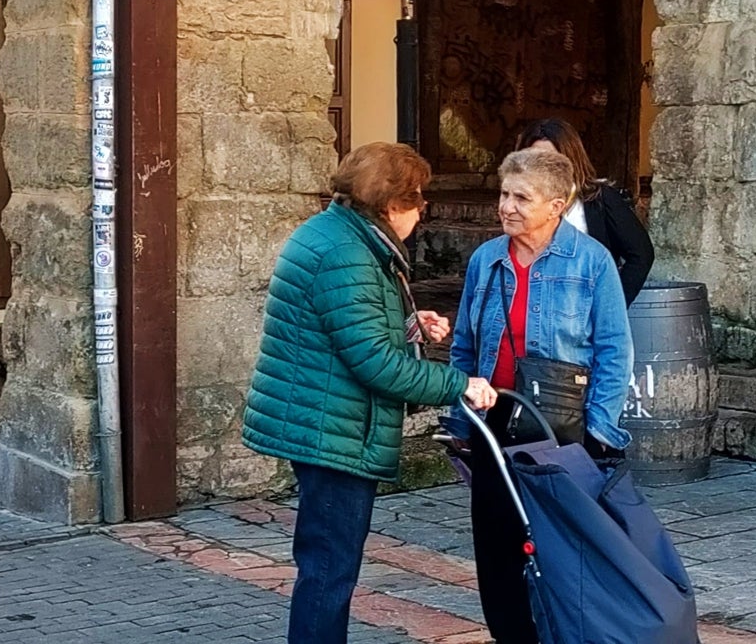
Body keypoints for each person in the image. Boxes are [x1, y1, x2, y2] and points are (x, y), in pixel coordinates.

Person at [242, 142, 498, 644]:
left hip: (325, 422)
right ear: (391, 204)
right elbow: (375, 364)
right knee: (329, 569)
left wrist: (407, 325)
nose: (422, 209)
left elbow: (348, 329)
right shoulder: (346, 253)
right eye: (418, 198)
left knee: (326, 562)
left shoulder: (342, 234)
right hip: (332, 432)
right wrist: (460, 384)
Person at [449, 147, 634, 643]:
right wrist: (460, 421)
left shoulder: (591, 261)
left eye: (521, 198)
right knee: (496, 548)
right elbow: (465, 347)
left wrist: (598, 431)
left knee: (560, 548)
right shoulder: (486, 260)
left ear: (556, 204)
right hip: (494, 420)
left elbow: (615, 351)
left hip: (562, 427)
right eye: (504, 195)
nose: (507, 207)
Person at [515, 117, 654, 306]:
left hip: (581, 318)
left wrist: (610, 306)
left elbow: (641, 254)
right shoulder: (517, 203)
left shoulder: (600, 199)